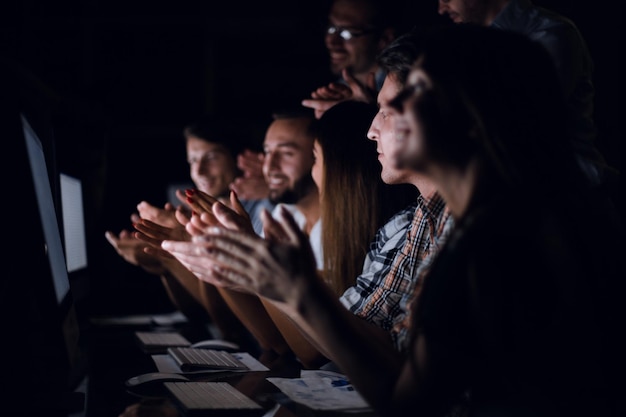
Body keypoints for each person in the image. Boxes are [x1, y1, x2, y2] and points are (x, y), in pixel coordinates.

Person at [164, 26, 625, 416]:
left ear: (472, 112)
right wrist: (286, 285)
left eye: (411, 96)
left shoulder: (503, 236)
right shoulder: (468, 223)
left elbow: (411, 404)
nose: (376, 125)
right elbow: (403, 380)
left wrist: (297, 290)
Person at [437, 0, 614, 188]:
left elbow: (515, 124)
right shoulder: (471, 45)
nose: (441, 9)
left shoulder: (552, 34)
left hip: (569, 196)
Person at [301, 0, 399, 119]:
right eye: (331, 27)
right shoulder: (333, 94)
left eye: (347, 33)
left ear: (385, 38)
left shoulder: (405, 90)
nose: (331, 41)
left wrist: (367, 113)